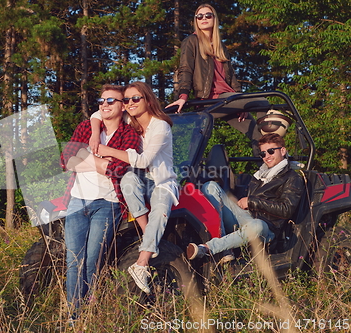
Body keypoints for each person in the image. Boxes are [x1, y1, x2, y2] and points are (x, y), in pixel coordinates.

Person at [90, 81, 179, 294]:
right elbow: (98, 113)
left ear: (148, 100)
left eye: (135, 99)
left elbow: (143, 160)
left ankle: (141, 262)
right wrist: (95, 133)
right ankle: (148, 233)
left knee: (159, 206)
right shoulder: (131, 120)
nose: (130, 103)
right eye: (127, 100)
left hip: (161, 181)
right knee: (127, 180)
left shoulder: (160, 126)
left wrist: (107, 150)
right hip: (139, 180)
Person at [60, 84, 141, 315]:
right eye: (101, 100)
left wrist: (84, 156)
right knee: (74, 260)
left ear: (123, 106)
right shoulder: (86, 127)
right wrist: (100, 162)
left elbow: (118, 168)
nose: (104, 104)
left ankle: (92, 310)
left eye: (111, 101)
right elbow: (65, 160)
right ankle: (75, 317)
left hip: (108, 203)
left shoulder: (129, 134)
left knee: (92, 260)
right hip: (77, 201)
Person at [166, 3, 269, 155]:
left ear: (214, 19)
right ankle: (188, 171)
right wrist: (183, 96)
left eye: (208, 15)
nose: (203, 18)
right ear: (196, 20)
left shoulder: (221, 47)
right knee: (262, 101)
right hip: (210, 100)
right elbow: (186, 69)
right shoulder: (191, 42)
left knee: (257, 136)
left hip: (229, 99)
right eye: (199, 16)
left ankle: (266, 164)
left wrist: (243, 105)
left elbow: (231, 77)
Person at [187, 133, 304, 260]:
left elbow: (286, 209)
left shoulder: (292, 178)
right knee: (210, 186)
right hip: (246, 218)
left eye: (271, 151)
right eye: (263, 153)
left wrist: (252, 202)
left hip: (267, 228)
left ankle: (209, 248)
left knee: (257, 225)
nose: (267, 156)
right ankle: (225, 247)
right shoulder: (260, 175)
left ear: (282, 150)